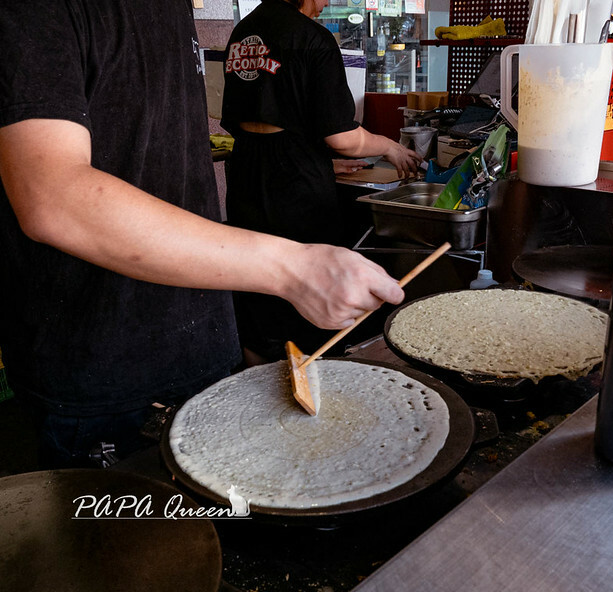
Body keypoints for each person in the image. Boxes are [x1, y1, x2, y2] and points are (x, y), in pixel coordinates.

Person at [0, 0, 404, 468]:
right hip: (104, 369)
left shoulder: (186, 13)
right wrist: (293, 269)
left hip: (204, 345)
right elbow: (52, 196)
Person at [221, 0, 422, 365]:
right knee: (312, 281)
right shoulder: (313, 38)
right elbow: (342, 137)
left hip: (246, 170)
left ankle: (258, 378)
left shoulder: (243, 30)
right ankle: (315, 374)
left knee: (255, 278)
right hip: (296, 188)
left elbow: (266, 119)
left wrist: (318, 161)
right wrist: (390, 146)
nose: (327, 2)